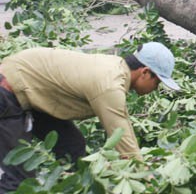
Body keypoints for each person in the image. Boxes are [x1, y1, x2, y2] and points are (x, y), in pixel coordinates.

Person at [0, 42, 180, 191]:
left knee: (71, 146)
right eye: (157, 82)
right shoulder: (110, 85)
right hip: (9, 90)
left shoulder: (115, 68)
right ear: (145, 72)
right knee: (19, 178)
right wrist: (144, 176)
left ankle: (68, 188)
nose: (155, 88)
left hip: (34, 93)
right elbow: (122, 135)